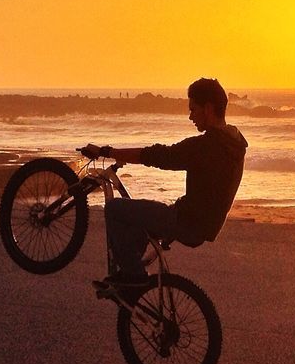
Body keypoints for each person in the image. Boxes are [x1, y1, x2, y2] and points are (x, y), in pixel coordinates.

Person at [81, 78, 247, 301]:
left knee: (115, 209)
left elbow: (158, 155)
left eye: (193, 109)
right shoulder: (235, 142)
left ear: (208, 108)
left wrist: (108, 151)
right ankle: (130, 279)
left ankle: (133, 276)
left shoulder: (208, 147)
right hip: (204, 225)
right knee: (139, 219)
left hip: (186, 222)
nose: (190, 116)